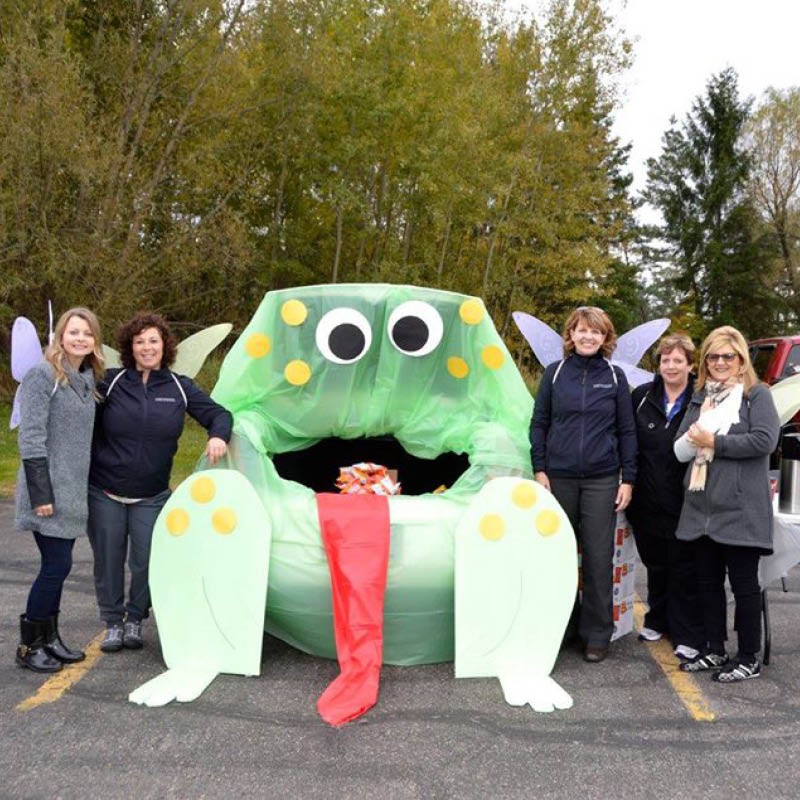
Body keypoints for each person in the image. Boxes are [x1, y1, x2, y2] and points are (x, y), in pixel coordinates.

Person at [88, 312, 232, 652]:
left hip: (152, 496)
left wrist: (218, 437)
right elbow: (78, 414)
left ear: (165, 345)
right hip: (105, 491)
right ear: (129, 347)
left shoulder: (181, 386)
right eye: (139, 341)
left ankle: (136, 619)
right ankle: (112, 622)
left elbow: (219, 415)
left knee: (147, 561)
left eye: (153, 340)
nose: (146, 347)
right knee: (108, 559)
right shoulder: (109, 382)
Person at [530, 306, 637, 663]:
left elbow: (626, 431)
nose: (588, 337)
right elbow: (539, 423)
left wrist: (629, 478)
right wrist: (540, 469)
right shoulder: (555, 373)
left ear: (606, 338)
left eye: (596, 332)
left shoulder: (615, 376)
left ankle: (596, 634)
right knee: (558, 556)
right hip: (557, 478)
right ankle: (561, 628)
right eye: (581, 330)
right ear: (570, 335)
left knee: (597, 557)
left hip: (601, 479)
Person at [674, 326, 779, 682]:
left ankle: (747, 656)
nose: (720, 362)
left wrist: (714, 442)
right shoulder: (700, 397)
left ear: (740, 359)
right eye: (713, 357)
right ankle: (714, 649)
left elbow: (764, 441)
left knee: (745, 586)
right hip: (702, 510)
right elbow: (679, 449)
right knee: (707, 583)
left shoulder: (756, 395)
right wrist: (695, 440)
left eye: (727, 356)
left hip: (741, 510)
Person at [14, 307, 105, 673]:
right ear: (60, 336)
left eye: (87, 333)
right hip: (48, 492)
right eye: (74, 332)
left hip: (72, 492)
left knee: (59, 567)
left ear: (95, 341)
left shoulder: (85, 380)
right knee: (56, 565)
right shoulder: (42, 375)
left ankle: (49, 639)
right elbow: (31, 436)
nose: (80, 338)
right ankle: (29, 644)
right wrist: (42, 495)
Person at [627, 333, 704, 660]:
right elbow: (628, 440)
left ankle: (685, 631)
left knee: (683, 567)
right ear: (658, 365)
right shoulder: (642, 396)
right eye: (665, 360)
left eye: (678, 360)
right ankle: (656, 619)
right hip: (646, 498)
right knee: (656, 564)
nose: (671, 366)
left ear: (690, 365)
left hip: (685, 499)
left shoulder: (701, 400)